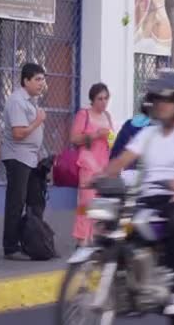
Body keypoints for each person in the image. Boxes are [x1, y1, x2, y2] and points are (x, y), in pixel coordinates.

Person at [105, 69, 174, 315]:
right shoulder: (148, 134)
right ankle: (127, 288)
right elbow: (121, 160)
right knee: (113, 227)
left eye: (166, 99)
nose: (160, 104)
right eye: (157, 99)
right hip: (146, 197)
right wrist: (98, 177)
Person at [1, 63, 48, 260]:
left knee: (35, 200)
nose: (42, 83)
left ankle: (32, 241)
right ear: (26, 80)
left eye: (43, 79)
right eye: (37, 79)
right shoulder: (17, 101)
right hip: (17, 157)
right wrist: (38, 121)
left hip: (30, 158)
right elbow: (19, 133)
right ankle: (10, 247)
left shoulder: (31, 101)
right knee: (16, 202)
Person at [70, 83, 113, 247]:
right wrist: (95, 135)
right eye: (99, 99)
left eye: (106, 98)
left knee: (101, 205)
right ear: (92, 100)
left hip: (104, 166)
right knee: (86, 204)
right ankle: (82, 239)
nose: (103, 102)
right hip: (88, 164)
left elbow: (111, 141)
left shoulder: (107, 116)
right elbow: (74, 138)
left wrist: (110, 138)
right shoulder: (84, 115)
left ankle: (96, 239)